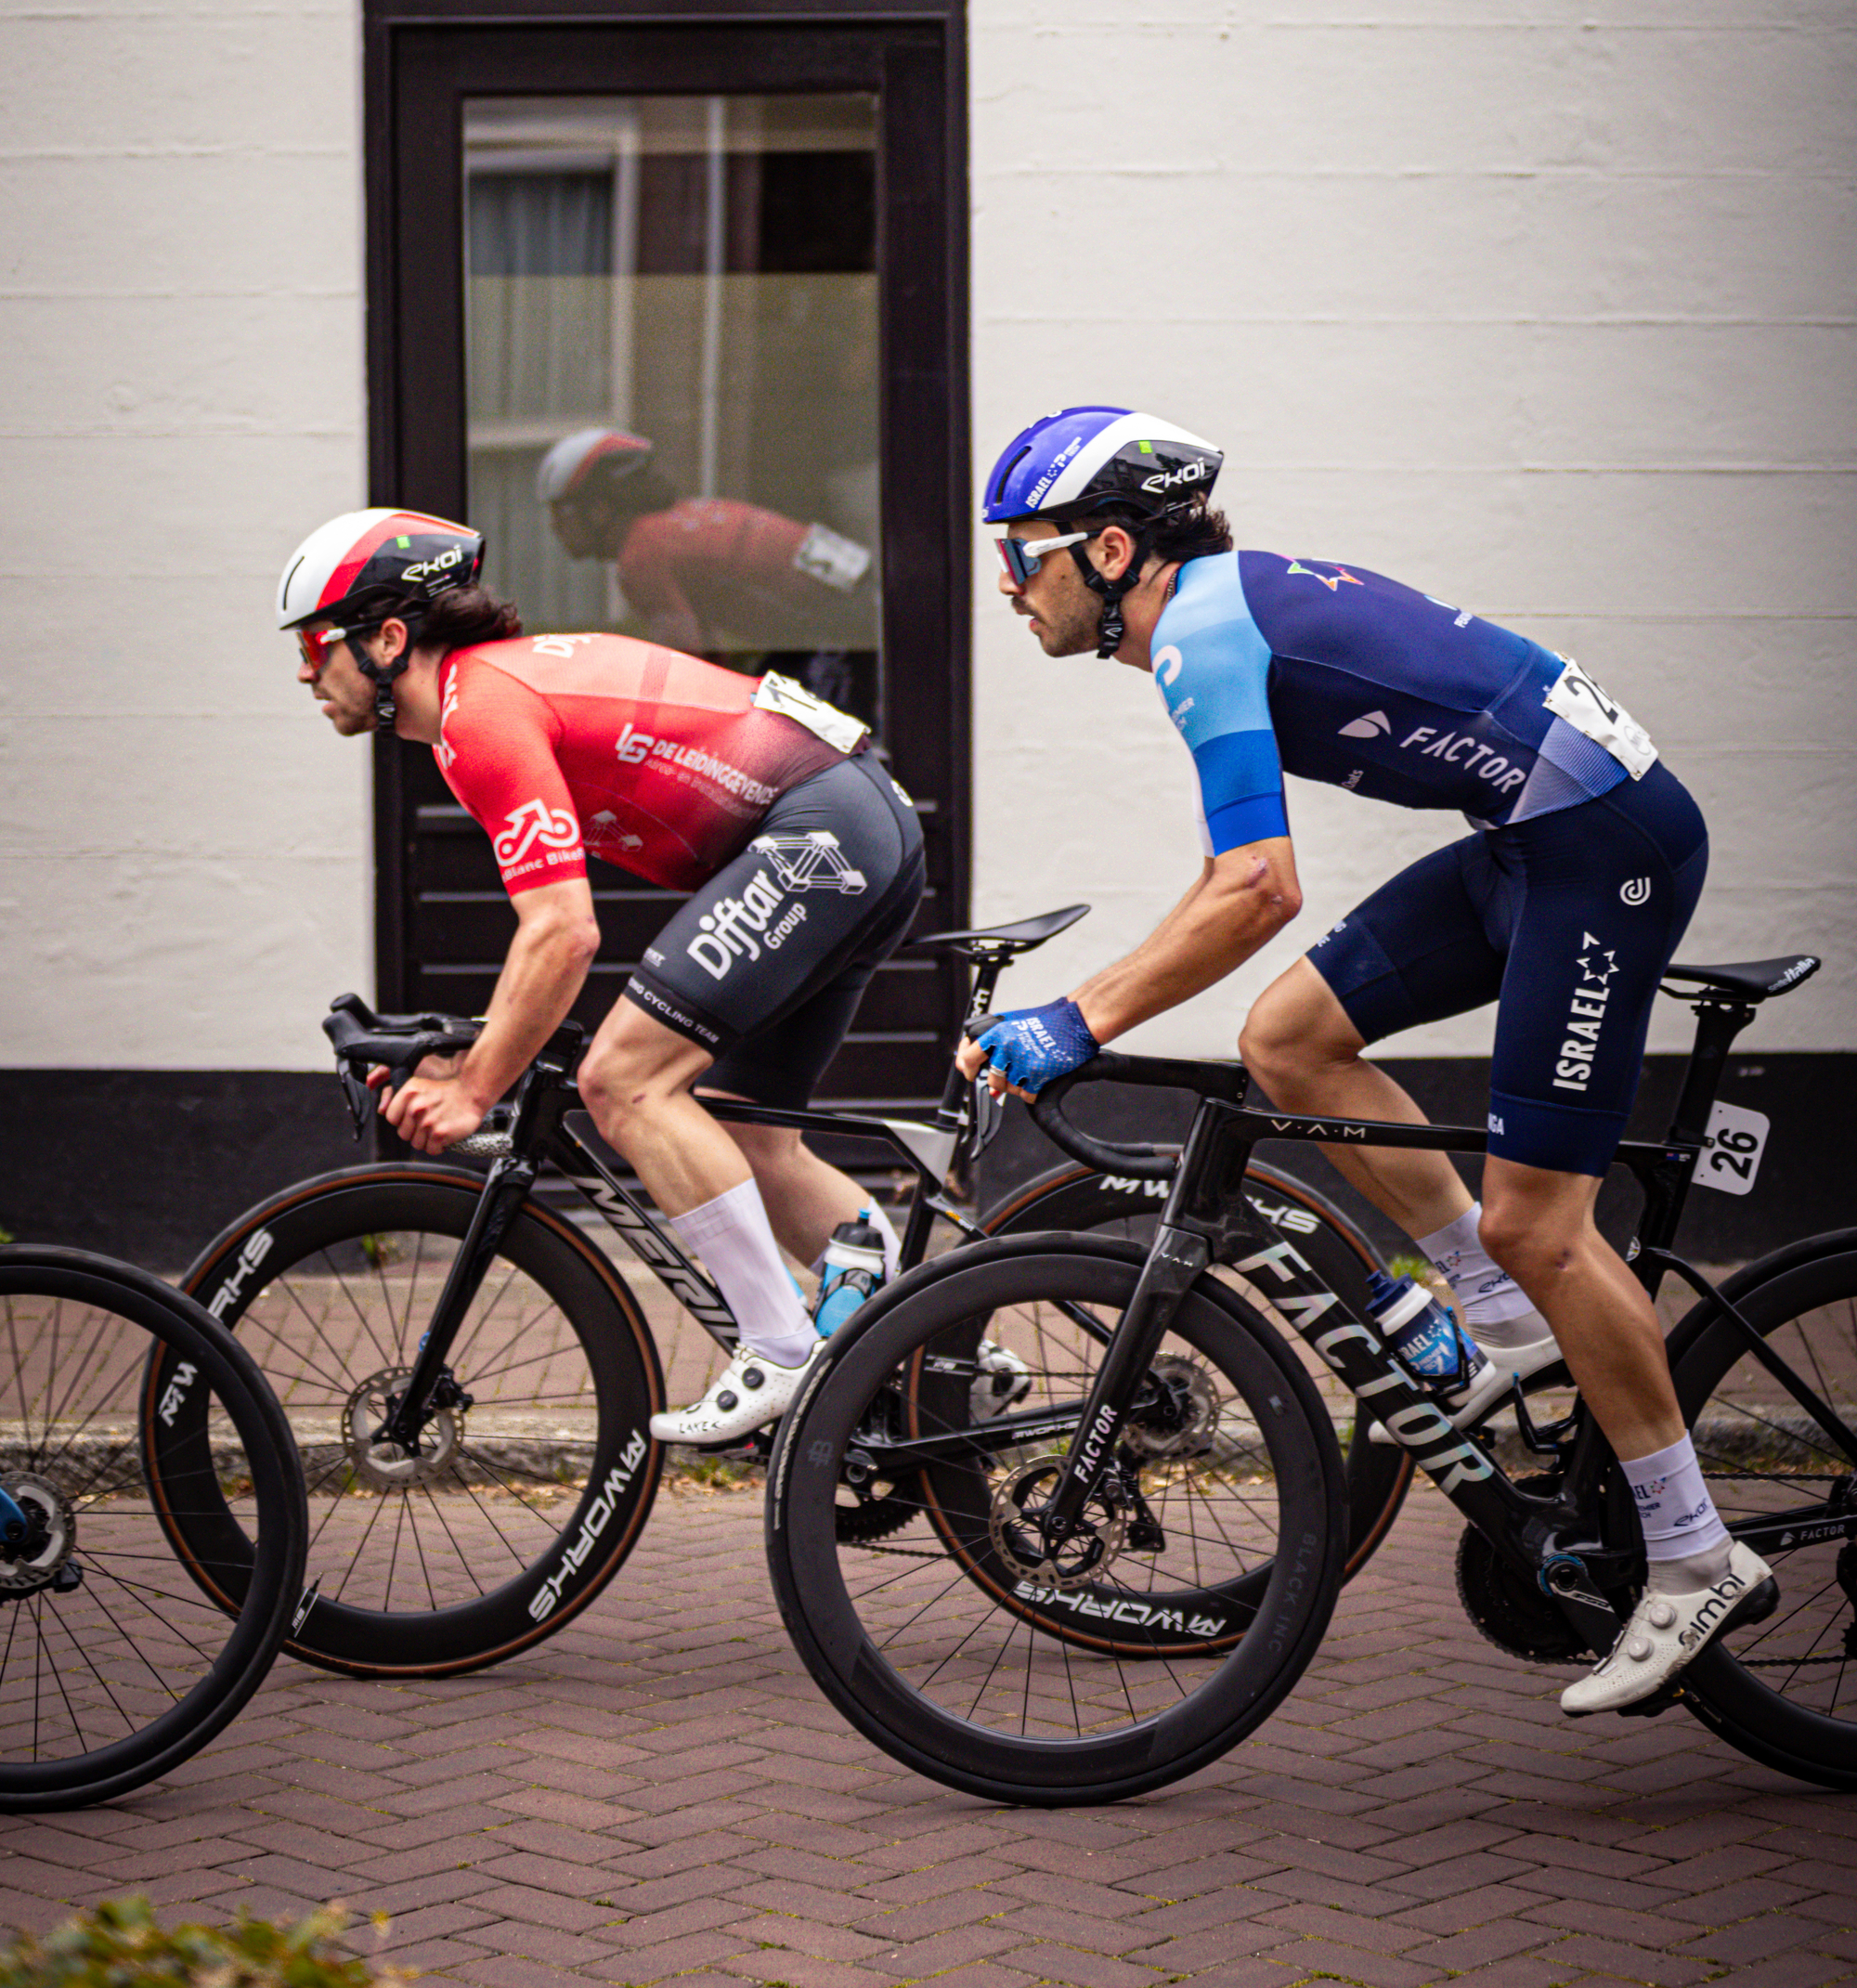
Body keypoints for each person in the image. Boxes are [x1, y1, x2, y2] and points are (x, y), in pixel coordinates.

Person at [958, 405, 1774, 1717]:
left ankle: (1691, 1556)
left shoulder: (1203, 638)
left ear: (1111, 551)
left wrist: (1079, 1020)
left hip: (1601, 849)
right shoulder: (1210, 613)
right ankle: (1504, 1325)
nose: (1009, 585)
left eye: (1026, 555)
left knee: (1544, 1228)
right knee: (1289, 1040)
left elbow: (1254, 890)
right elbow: (1250, 897)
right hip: (1531, 837)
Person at [278, 505, 923, 1444]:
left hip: (820, 827)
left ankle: (780, 1347)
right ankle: (937, 1356)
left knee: (623, 1079)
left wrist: (473, 1090)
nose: (304, 673)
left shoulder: (476, 709)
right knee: (744, 1134)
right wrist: (473, 1048)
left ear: (385, 638)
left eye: (314, 646)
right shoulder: (495, 690)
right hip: (854, 818)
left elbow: (561, 933)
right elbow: (543, 945)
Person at [537, 428, 870, 664]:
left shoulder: (640, 556)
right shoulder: (693, 515)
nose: (554, 526)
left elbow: (687, 667)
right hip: (861, 602)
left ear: (600, 509)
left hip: (839, 633)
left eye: (561, 511)